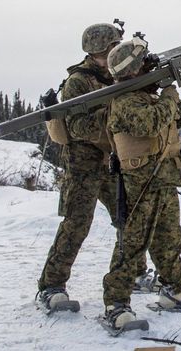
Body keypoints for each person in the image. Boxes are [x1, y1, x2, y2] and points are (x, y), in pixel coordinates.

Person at [100, 37, 181, 329]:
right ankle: (115, 305)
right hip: (140, 184)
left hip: (163, 179)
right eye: (145, 63)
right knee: (131, 245)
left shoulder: (149, 98)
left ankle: (175, 291)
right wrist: (170, 91)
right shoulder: (125, 102)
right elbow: (151, 123)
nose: (151, 66)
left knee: (169, 239)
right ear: (133, 70)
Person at [37, 22, 156, 311]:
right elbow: (77, 126)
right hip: (84, 161)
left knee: (127, 217)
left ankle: (137, 273)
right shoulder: (80, 81)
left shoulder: (117, 71)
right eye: (113, 46)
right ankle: (51, 285)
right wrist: (116, 114)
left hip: (111, 158)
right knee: (77, 223)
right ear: (100, 50)